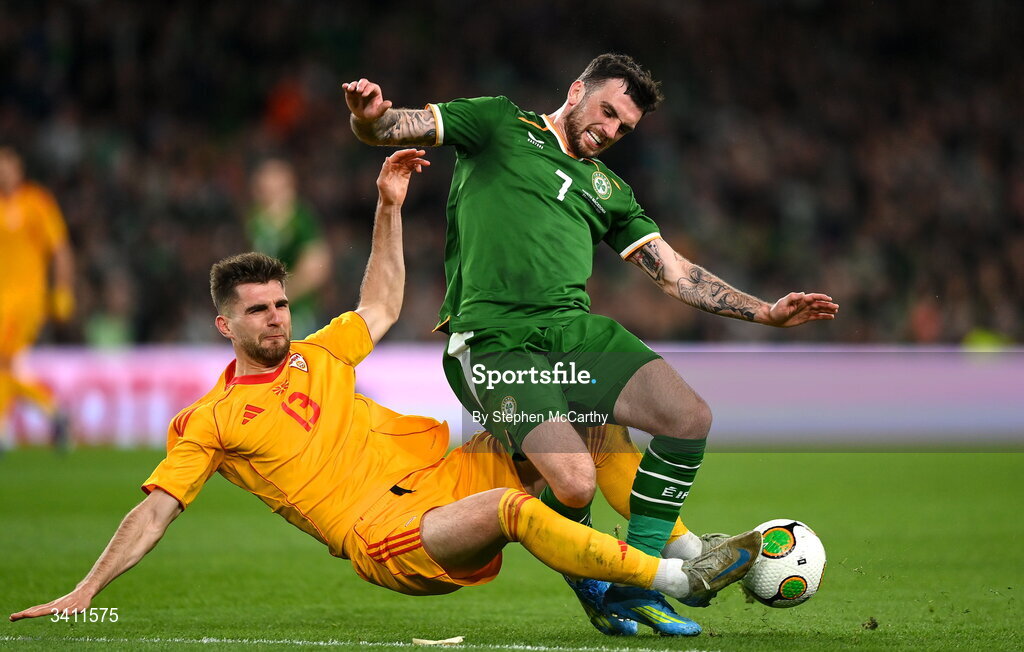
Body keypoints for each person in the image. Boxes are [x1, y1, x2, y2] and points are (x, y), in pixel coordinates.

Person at [9, 150, 761, 632]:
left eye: (279, 304)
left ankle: (686, 550)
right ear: (223, 323)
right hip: (388, 537)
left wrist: (389, 208)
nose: (276, 319)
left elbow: (380, 306)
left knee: (597, 432)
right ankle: (677, 578)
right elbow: (155, 510)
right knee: (514, 508)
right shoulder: (210, 419)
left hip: (442, 474)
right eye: (257, 311)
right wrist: (86, 591)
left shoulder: (318, 352)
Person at [343, 53, 839, 635]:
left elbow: (675, 273)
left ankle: (634, 583)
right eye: (606, 112)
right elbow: (388, 127)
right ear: (577, 90)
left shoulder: (608, 189)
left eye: (624, 128)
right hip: (495, 340)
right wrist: (368, 117)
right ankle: (601, 579)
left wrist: (765, 312)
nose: (609, 131)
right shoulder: (500, 123)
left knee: (688, 417)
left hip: (575, 333)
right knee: (574, 480)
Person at [0, 146, 74, 450]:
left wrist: (63, 290)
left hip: (27, 299)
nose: (3, 172)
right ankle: (54, 413)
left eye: (7, 165)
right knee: (11, 366)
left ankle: (5, 431)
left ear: (19, 169)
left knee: (5, 360)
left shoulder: (37, 202)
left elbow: (60, 250)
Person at [247, 158, 331, 337]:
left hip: (296, 312)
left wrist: (281, 296)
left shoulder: (301, 220)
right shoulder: (256, 220)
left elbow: (316, 267)